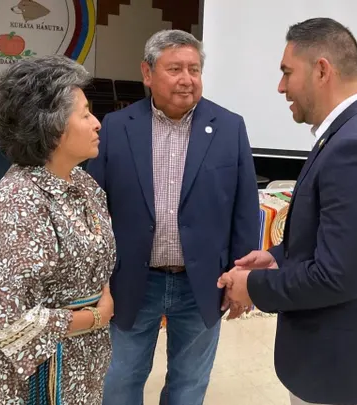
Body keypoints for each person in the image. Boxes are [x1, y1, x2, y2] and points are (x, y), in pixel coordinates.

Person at [218, 18, 357, 405]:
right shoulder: (354, 133)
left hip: (338, 366)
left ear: (322, 69)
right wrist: (276, 258)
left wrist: (252, 287)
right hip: (337, 357)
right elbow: (331, 241)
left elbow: (336, 277)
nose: (281, 86)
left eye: (287, 72)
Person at [86, 29, 259, 405]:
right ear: (147, 73)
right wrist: (96, 280)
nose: (187, 79)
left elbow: (244, 209)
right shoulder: (116, 127)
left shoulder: (230, 127)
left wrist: (242, 279)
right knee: (120, 381)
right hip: (133, 280)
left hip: (202, 283)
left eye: (194, 69)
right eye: (175, 69)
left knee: (188, 385)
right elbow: (95, 208)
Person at [0, 55, 116, 405]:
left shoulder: (82, 182)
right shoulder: (21, 201)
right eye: (84, 114)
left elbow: (96, 253)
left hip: (81, 360)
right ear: (51, 127)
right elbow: (8, 321)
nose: (97, 123)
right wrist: (94, 316)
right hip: (36, 374)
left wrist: (102, 293)